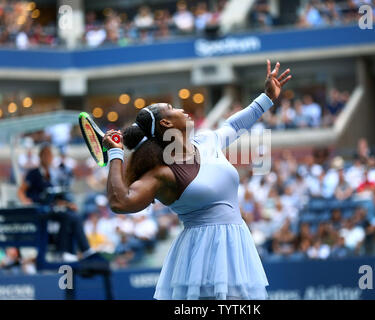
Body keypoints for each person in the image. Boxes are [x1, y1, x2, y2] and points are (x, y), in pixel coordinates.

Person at [102, 60, 292, 300]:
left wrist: (266, 97)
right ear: (166, 123)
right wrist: (116, 154)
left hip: (236, 248)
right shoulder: (162, 174)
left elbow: (233, 124)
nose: (182, 109)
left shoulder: (206, 141)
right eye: (172, 107)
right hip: (201, 258)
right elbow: (120, 202)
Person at [17, 143, 95, 262]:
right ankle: (63, 251)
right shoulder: (34, 173)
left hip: (51, 208)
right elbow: (22, 190)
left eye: (50, 155)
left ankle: (84, 250)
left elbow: (55, 196)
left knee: (74, 215)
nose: (48, 157)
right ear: (40, 156)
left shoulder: (53, 174)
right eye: (46, 154)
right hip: (39, 210)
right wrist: (26, 202)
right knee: (67, 216)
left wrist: (68, 204)